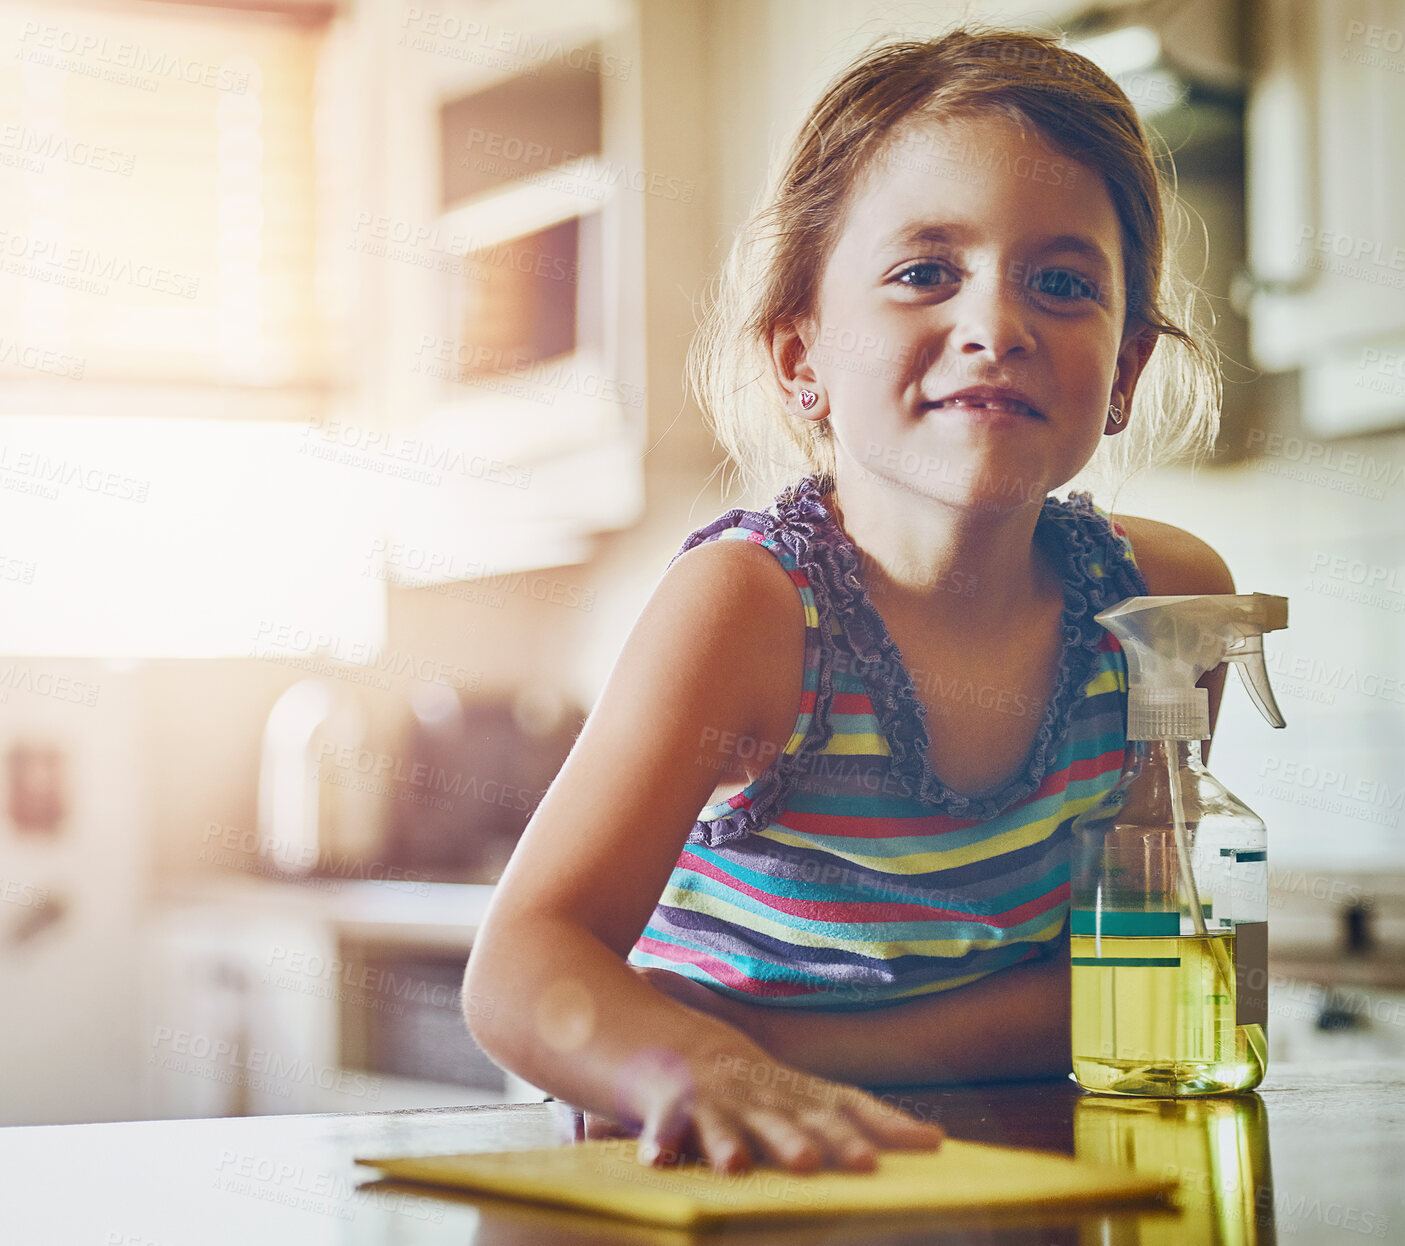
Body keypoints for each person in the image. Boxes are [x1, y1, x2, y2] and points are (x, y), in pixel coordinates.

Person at [463, 24, 1234, 1179]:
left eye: (1063, 283)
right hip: (725, 1176)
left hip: (987, 1179)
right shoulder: (752, 612)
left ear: (1125, 371)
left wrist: (768, 1040)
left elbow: (1121, 993)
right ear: (800, 357)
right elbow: (524, 965)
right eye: (926, 272)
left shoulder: (1165, 612)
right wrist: (694, 1065)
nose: (996, 325)